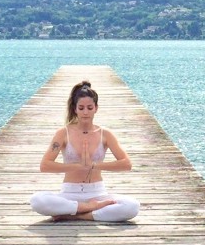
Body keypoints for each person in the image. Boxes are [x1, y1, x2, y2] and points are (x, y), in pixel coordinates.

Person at [29, 80, 140, 222]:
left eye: (89, 107)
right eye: (81, 108)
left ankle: (77, 214)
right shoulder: (63, 133)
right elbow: (45, 165)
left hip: (97, 193)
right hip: (69, 193)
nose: (85, 112)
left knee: (132, 206)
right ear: (75, 109)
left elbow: (126, 164)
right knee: (37, 200)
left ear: (96, 108)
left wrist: (94, 165)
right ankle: (87, 208)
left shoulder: (105, 134)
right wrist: (77, 166)